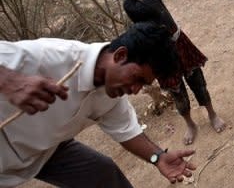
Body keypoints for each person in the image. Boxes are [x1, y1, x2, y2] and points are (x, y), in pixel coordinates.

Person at [0, 22, 196, 187]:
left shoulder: (113, 95)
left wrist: (158, 158)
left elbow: (127, 131)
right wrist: (9, 80)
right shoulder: (48, 56)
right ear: (120, 56)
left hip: (46, 151)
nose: (136, 90)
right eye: (137, 78)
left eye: (143, 84)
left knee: (104, 175)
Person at [113, 0, 226, 145]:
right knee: (177, 91)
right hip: (160, 55)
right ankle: (190, 123)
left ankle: (212, 113)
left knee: (197, 80)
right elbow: (151, 8)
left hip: (179, 42)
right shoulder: (131, 5)